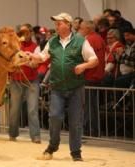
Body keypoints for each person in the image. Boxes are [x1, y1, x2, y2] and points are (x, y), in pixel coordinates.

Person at [30, 13, 98, 161]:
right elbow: (42, 57)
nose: (56, 26)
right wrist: (32, 57)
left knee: (75, 121)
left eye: (59, 23)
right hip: (57, 87)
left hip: (76, 88)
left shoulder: (80, 41)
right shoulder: (52, 41)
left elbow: (94, 59)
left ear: (68, 24)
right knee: (54, 117)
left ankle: (76, 152)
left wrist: (84, 65)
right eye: (56, 24)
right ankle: (52, 146)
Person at [9, 23, 41, 144]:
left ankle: (35, 136)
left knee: (32, 109)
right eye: (22, 33)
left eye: (27, 32)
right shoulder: (14, 46)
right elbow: (11, 63)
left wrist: (24, 61)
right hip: (16, 80)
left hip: (32, 81)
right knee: (14, 109)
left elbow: (35, 64)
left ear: (31, 33)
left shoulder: (36, 47)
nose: (25, 35)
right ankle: (12, 134)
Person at [78, 20, 106, 137]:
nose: (80, 30)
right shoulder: (100, 39)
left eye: (81, 28)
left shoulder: (88, 40)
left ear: (88, 29)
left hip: (90, 75)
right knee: (93, 105)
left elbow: (84, 58)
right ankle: (94, 129)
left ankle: (89, 129)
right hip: (98, 75)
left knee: (88, 105)